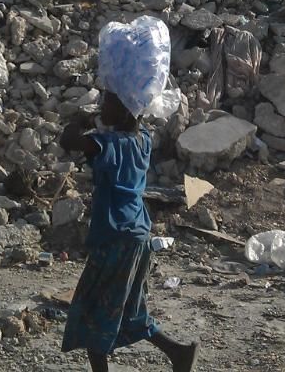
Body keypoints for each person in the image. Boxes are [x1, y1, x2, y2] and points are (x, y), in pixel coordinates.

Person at [59, 89, 199, 372]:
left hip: (115, 237)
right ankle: (179, 354)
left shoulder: (109, 143)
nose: (102, 107)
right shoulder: (143, 139)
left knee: (93, 310)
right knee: (132, 309)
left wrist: (81, 120)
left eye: (108, 102)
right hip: (138, 234)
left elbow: (68, 140)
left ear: (124, 111)